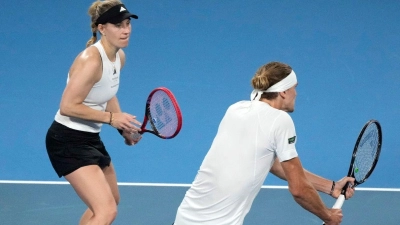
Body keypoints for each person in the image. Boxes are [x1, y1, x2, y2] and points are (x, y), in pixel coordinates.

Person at [173, 61, 355, 225]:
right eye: (294, 87)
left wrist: (330, 187)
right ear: (283, 92)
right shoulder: (280, 121)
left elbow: (269, 162)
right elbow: (299, 189)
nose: (296, 93)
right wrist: (327, 216)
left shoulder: (235, 109)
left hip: (184, 218)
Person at [45, 1, 141, 224]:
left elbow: (107, 93)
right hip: (66, 140)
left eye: (127, 23)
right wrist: (111, 119)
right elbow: (68, 106)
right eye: (118, 25)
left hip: (89, 139)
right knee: (106, 211)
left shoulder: (119, 57)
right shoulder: (91, 60)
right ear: (102, 28)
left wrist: (122, 129)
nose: (126, 30)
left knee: (110, 201)